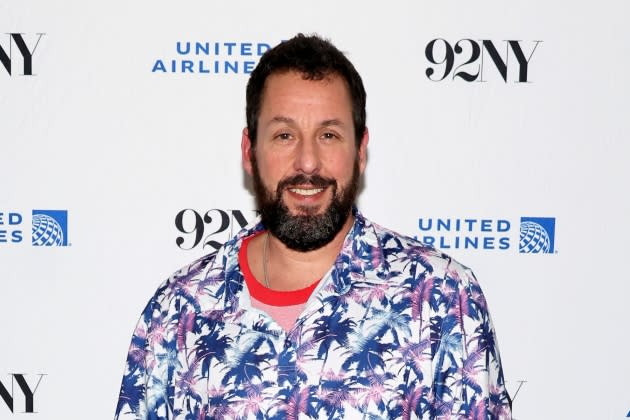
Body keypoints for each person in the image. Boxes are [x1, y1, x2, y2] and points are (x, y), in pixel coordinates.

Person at [115, 33, 512, 419]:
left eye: (328, 134)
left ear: (360, 150)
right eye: (285, 135)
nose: (307, 162)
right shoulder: (178, 312)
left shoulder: (442, 298)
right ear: (249, 152)